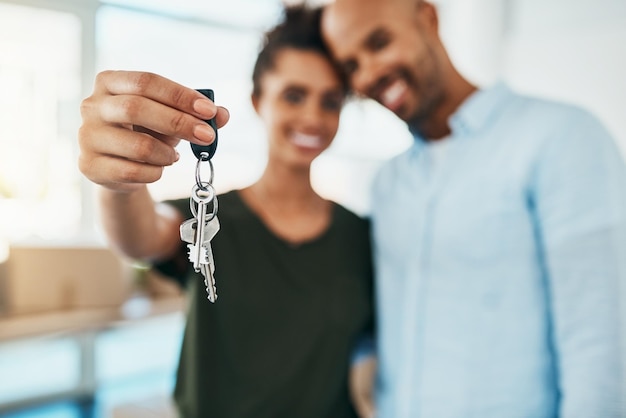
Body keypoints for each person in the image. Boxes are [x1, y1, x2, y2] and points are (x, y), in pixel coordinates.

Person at [319, 0, 626, 417]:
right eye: (351, 65)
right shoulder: (387, 184)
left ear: (427, 16)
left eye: (380, 42)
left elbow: (600, 346)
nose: (369, 73)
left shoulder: (561, 138)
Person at [78, 6, 374, 418]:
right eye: (294, 95)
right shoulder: (209, 219)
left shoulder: (360, 236)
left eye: (331, 101)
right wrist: (119, 182)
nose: (313, 117)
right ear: (258, 100)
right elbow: (140, 237)